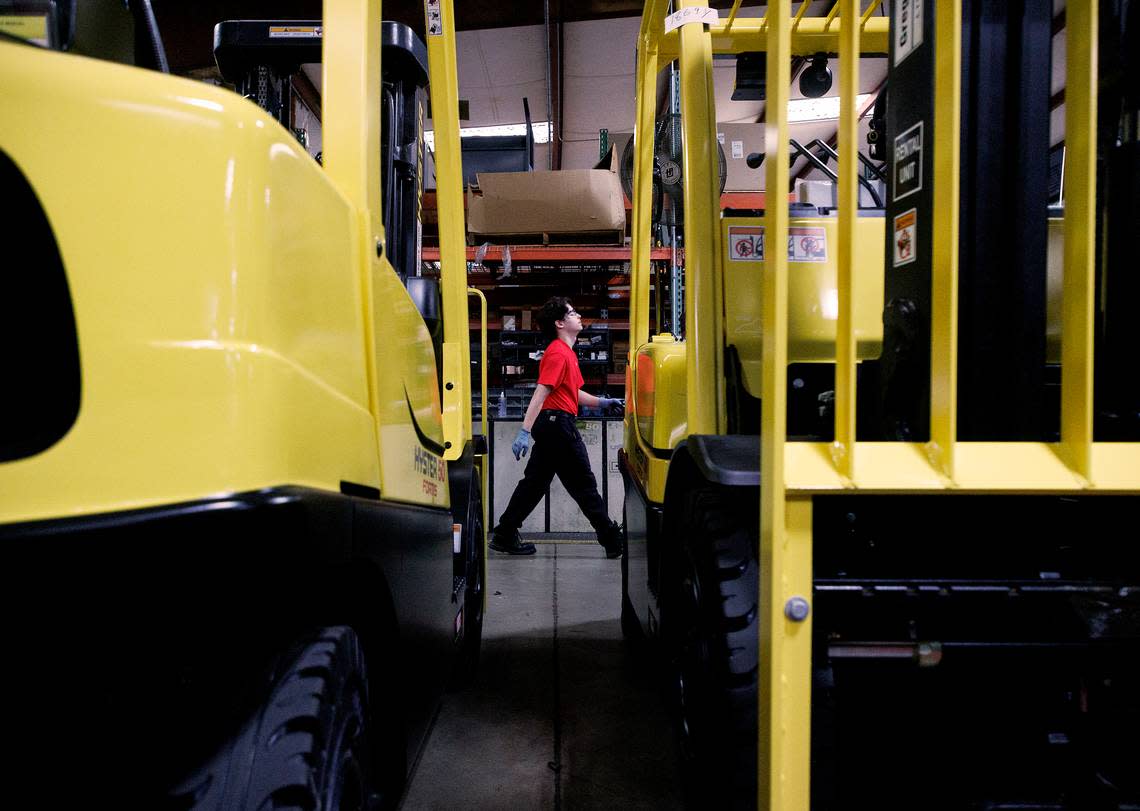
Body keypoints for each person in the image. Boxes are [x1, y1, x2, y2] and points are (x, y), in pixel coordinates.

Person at [490, 297, 625, 557]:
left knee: (534, 484)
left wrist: (604, 402)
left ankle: (505, 533)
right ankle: (610, 539)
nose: (578, 316)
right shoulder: (558, 352)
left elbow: (573, 392)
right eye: (573, 313)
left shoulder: (566, 353)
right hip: (557, 425)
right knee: (583, 484)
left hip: (553, 425)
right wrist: (524, 431)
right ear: (560, 323)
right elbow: (541, 392)